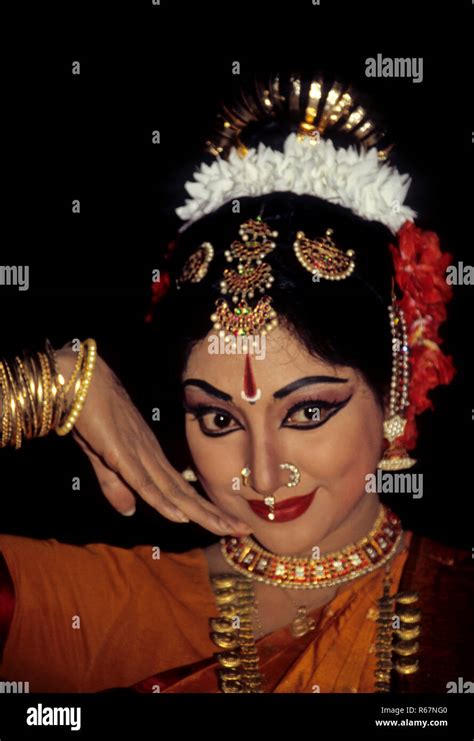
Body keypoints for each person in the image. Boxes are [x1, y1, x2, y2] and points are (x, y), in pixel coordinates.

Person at [0, 73, 472, 694]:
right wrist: (39, 388)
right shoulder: (101, 607)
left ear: (395, 384)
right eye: (219, 419)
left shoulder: (459, 605)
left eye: (306, 412)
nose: (265, 476)